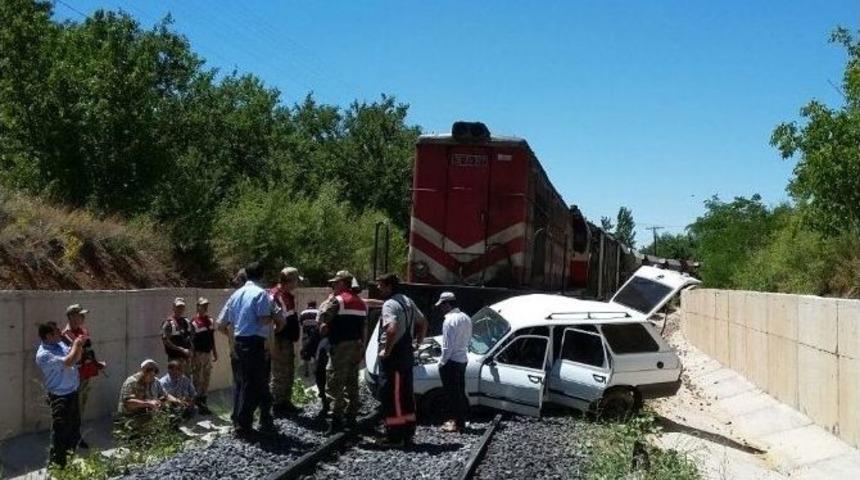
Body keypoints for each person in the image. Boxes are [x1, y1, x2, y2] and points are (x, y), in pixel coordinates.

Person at [217, 261, 281, 437]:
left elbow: (220, 324)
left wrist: (232, 340)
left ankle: (244, 421)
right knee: (253, 384)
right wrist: (274, 318)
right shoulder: (261, 294)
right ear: (262, 275)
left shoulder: (236, 295)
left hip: (238, 343)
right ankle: (244, 425)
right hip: (254, 343)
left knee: (245, 383)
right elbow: (262, 320)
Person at [375, 273, 427, 446]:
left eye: (381, 285)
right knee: (405, 394)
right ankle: (408, 432)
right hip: (406, 354)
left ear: (389, 286)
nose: (378, 288)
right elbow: (423, 322)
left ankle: (395, 436)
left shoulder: (390, 304)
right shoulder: (407, 300)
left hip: (394, 357)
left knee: (391, 395)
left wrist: (386, 351)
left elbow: (391, 329)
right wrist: (417, 342)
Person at [319, 270, 367, 434]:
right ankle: (351, 416)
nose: (333, 286)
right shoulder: (360, 302)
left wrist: (329, 300)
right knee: (352, 381)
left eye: (335, 283)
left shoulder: (337, 301)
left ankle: (336, 420)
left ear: (342, 283)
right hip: (357, 345)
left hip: (340, 346)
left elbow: (323, 318)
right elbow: (363, 327)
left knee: (334, 382)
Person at [36, 321, 85, 468]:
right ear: (48, 336)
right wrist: (76, 344)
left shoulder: (60, 345)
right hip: (59, 397)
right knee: (60, 432)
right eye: (56, 331)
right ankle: (57, 465)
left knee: (73, 427)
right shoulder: (44, 354)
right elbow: (69, 361)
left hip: (72, 392)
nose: (60, 333)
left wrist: (78, 345)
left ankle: (70, 459)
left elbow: (77, 358)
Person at [60, 304, 105, 449]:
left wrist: (97, 363)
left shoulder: (83, 331)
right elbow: (70, 358)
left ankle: (75, 435)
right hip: (74, 376)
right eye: (80, 315)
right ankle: (70, 438)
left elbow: (89, 350)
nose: (83, 317)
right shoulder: (65, 335)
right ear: (72, 316)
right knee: (72, 408)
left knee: (80, 407)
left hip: (85, 374)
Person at [436, 291, 472, 433]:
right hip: (463, 360)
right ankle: (461, 420)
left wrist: (442, 362)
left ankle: (458, 424)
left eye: (442, 305)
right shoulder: (466, 318)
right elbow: (468, 339)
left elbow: (447, 346)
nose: (441, 308)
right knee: (460, 393)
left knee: (452, 395)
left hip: (451, 361)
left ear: (448, 304)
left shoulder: (449, 320)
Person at [269, 267, 303, 416]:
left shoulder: (287, 295)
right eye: (296, 281)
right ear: (289, 281)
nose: (297, 284)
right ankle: (276, 404)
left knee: (288, 369)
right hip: (280, 339)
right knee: (279, 372)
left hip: (287, 338)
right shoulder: (276, 295)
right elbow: (278, 320)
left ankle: (285, 401)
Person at [116, 359, 181, 433]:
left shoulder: (155, 381)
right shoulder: (131, 382)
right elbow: (128, 403)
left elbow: (165, 395)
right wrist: (148, 403)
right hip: (131, 416)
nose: (152, 373)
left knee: (172, 408)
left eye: (155, 371)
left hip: (148, 413)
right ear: (142, 370)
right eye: (149, 370)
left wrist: (176, 400)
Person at [190, 297, 217, 415]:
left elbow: (212, 337)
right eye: (203, 305)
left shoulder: (210, 320)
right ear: (198, 307)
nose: (205, 307)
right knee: (197, 378)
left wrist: (215, 351)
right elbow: (191, 340)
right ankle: (196, 404)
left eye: (206, 305)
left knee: (206, 377)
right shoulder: (194, 322)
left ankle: (203, 401)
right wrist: (192, 355)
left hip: (208, 353)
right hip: (198, 353)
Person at [162, 297, 192, 373]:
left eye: (182, 307)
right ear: (174, 307)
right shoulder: (169, 323)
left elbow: (189, 338)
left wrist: (190, 350)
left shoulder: (186, 322)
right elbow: (166, 341)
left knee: (186, 382)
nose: (180, 309)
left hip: (185, 359)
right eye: (178, 307)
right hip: (174, 360)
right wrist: (181, 349)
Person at [299, 301, 320, 378]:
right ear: (315, 305)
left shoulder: (303, 313)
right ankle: (315, 370)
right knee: (315, 353)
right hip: (316, 337)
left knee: (305, 354)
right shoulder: (318, 312)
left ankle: (306, 371)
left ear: (307, 305)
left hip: (306, 337)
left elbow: (301, 323)